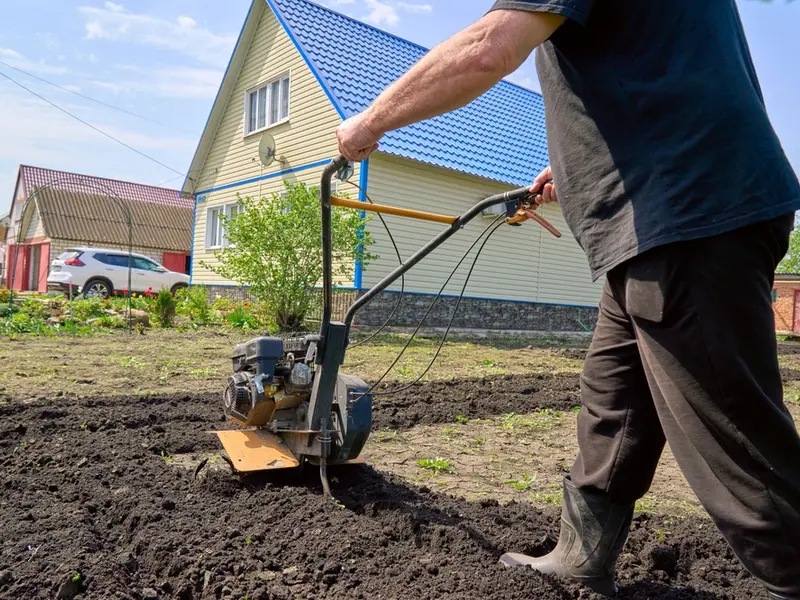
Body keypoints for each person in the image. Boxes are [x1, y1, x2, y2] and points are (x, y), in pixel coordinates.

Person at [335, 1, 800, 598]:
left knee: (732, 429)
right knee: (614, 403)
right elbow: (656, 63)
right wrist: (574, 164)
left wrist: (370, 122)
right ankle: (582, 555)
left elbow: (488, 48)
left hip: (687, 217)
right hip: (668, 214)